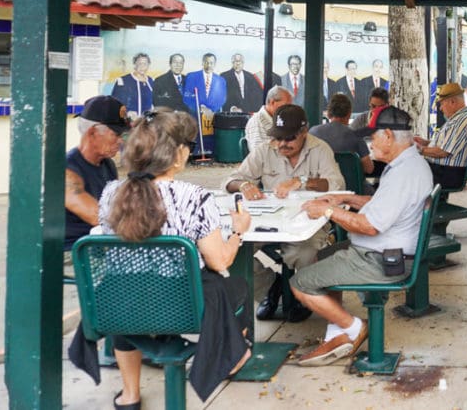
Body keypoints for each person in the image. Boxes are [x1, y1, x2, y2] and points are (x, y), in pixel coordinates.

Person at [93, 109, 253, 405]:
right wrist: (238, 231)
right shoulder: (194, 196)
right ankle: (232, 352)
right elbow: (220, 262)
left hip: (120, 305)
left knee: (126, 285)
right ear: (178, 153)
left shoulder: (111, 193)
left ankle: (129, 395)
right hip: (183, 308)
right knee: (237, 286)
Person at [290, 106, 432, 365]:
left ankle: (354, 328)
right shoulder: (408, 163)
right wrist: (345, 198)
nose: (368, 144)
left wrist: (329, 210)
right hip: (389, 252)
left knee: (300, 282)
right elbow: (382, 204)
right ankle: (338, 330)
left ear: (388, 135)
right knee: (322, 255)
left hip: (381, 260)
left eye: (372, 137)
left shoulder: (403, 174)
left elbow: (369, 226)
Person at [225, 104, 344, 322]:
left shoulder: (320, 149)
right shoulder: (265, 149)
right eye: (278, 138)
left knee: (306, 253)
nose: (281, 144)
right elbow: (230, 179)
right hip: (269, 220)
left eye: (289, 138)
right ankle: (271, 290)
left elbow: (336, 184)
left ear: (304, 132)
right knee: (233, 250)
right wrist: (243, 186)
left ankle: (302, 295)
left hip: (308, 222)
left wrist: (303, 181)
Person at [64, 96, 131, 258]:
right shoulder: (66, 171)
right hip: (73, 252)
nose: (121, 141)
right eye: (116, 134)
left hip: (100, 245)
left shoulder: (107, 164)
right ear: (93, 132)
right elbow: (99, 217)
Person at [415, 82, 467, 185]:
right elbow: (446, 144)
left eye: (442, 104)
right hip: (445, 171)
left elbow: (443, 152)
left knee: (404, 173)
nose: (441, 108)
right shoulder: (459, 118)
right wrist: (424, 142)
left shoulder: (460, 122)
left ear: (452, 102)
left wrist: (418, 149)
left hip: (447, 174)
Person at [310, 93, 372, 176]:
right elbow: (369, 169)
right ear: (349, 114)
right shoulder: (356, 135)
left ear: (328, 113)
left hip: (320, 185)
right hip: (351, 186)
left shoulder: (313, 132)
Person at [244, 85, 293, 153]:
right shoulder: (258, 121)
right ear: (272, 102)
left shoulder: (279, 119)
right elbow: (260, 154)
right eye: (286, 105)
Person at [183, 52, 227, 118]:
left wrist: (210, 110)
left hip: (212, 117)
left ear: (215, 64)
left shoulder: (221, 80)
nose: (209, 65)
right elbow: (187, 97)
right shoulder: (191, 77)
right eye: (206, 62)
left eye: (211, 63)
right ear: (202, 63)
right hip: (195, 117)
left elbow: (222, 99)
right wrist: (201, 108)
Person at [110, 53, 154, 118]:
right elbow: (115, 104)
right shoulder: (123, 81)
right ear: (134, 65)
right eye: (139, 63)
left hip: (146, 123)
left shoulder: (151, 81)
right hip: (129, 122)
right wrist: (127, 113)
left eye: (145, 64)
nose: (142, 66)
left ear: (148, 65)